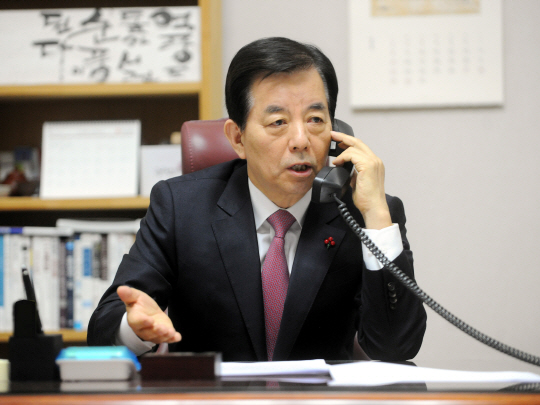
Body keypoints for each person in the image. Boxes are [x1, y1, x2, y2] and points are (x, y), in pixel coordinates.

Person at [88, 37, 426, 362]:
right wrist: (136, 328)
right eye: (278, 122)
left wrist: (377, 216)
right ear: (238, 138)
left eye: (315, 120)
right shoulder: (180, 207)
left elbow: (396, 348)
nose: (300, 140)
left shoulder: (361, 213)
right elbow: (105, 327)